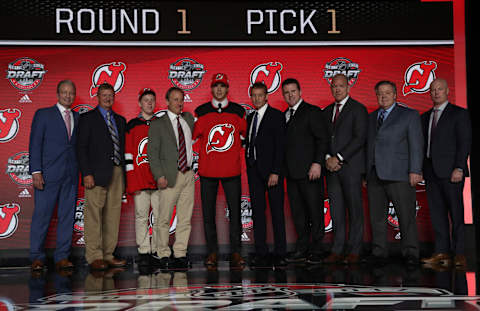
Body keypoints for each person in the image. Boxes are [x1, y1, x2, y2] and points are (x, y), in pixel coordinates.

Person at [365, 80, 423, 266]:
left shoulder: (409, 115)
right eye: (380, 93)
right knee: (377, 217)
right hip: (374, 175)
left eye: (387, 93)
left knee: (405, 216)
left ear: (395, 95)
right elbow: (368, 147)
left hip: (400, 174)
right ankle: (379, 252)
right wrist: (366, 174)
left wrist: (415, 170)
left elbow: (416, 145)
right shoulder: (371, 117)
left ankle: (411, 252)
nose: (383, 96)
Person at [193, 73, 247, 269]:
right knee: (208, 214)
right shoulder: (201, 111)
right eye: (216, 86)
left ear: (227, 88)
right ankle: (212, 252)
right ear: (211, 88)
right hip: (208, 172)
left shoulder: (238, 111)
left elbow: (244, 136)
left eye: (222, 86)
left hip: (232, 171)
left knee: (235, 214)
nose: (219, 89)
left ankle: (236, 252)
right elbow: (193, 137)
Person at [420, 78, 472, 268]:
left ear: (447, 90)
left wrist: (459, 167)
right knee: (437, 214)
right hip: (431, 172)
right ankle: (442, 252)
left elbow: (464, 142)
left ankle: (459, 253)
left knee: (456, 213)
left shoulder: (459, 114)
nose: (436, 92)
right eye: (433, 90)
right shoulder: (424, 117)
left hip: (452, 172)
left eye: (440, 89)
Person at [28, 80, 79, 271]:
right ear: (58, 94)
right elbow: (35, 144)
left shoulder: (77, 117)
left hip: (70, 175)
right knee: (42, 216)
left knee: (67, 216)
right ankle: (36, 257)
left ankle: (62, 257)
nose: (68, 96)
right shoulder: (43, 115)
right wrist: (36, 171)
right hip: (47, 175)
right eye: (64, 92)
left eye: (71, 93)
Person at [77, 82, 127, 270]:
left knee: (113, 215)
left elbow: (122, 149)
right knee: (94, 215)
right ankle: (94, 255)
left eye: (110, 95)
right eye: (104, 95)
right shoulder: (88, 118)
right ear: (97, 97)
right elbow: (81, 148)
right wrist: (87, 173)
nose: (107, 98)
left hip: (116, 171)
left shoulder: (120, 120)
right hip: (95, 173)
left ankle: (108, 254)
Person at [148, 87, 195, 270]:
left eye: (181, 99)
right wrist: (159, 175)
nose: (179, 103)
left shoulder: (187, 120)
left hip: (188, 174)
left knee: (185, 217)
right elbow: (152, 153)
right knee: (164, 217)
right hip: (169, 174)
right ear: (167, 101)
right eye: (175, 99)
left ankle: (180, 253)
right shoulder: (158, 124)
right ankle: (162, 252)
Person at [282, 78, 328, 265]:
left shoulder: (312, 111)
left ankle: (317, 249)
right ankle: (302, 248)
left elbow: (322, 139)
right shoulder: (285, 114)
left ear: (300, 92)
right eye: (286, 92)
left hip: (311, 172)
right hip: (292, 174)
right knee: (298, 213)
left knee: (315, 212)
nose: (290, 95)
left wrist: (317, 163)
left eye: (293, 91)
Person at [323, 74, 368, 265]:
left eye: (341, 86)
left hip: (350, 168)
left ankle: (354, 250)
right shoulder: (326, 111)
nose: (337, 89)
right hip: (332, 169)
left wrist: (339, 157)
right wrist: (327, 158)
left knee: (355, 210)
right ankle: (337, 249)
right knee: (337, 212)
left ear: (348, 87)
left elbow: (360, 138)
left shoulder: (358, 109)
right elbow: (323, 139)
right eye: (334, 86)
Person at [245, 82, 287, 268]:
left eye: (260, 95)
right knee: (258, 214)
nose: (256, 99)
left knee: (277, 213)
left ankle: (280, 252)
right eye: (253, 95)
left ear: (266, 96)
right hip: (254, 171)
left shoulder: (276, 116)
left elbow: (281, 147)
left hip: (272, 173)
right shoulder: (250, 117)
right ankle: (261, 251)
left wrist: (276, 171)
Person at [125, 88, 159, 267]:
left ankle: (158, 250)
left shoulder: (162, 123)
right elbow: (128, 154)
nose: (149, 103)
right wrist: (132, 179)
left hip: (159, 179)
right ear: (140, 103)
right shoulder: (131, 125)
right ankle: (144, 251)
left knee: (161, 216)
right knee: (141, 216)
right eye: (146, 100)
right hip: (139, 179)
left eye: (152, 100)